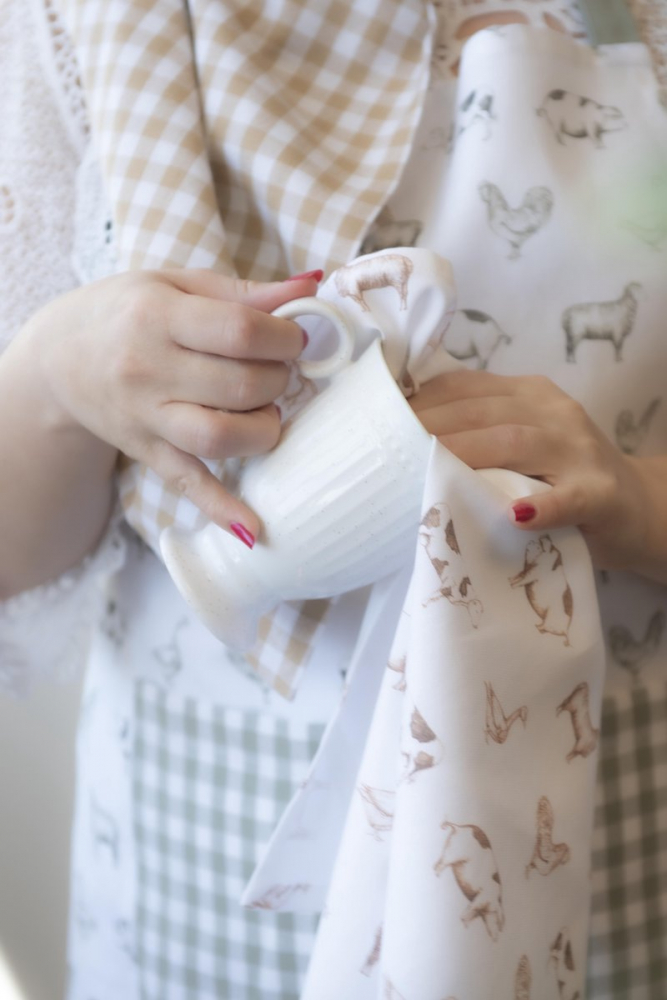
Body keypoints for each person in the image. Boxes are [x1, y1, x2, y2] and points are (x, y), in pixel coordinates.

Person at [0, 0, 665, 997]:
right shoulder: (89, 26)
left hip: (610, 856)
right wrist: (57, 379)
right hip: (197, 890)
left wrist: (638, 497)